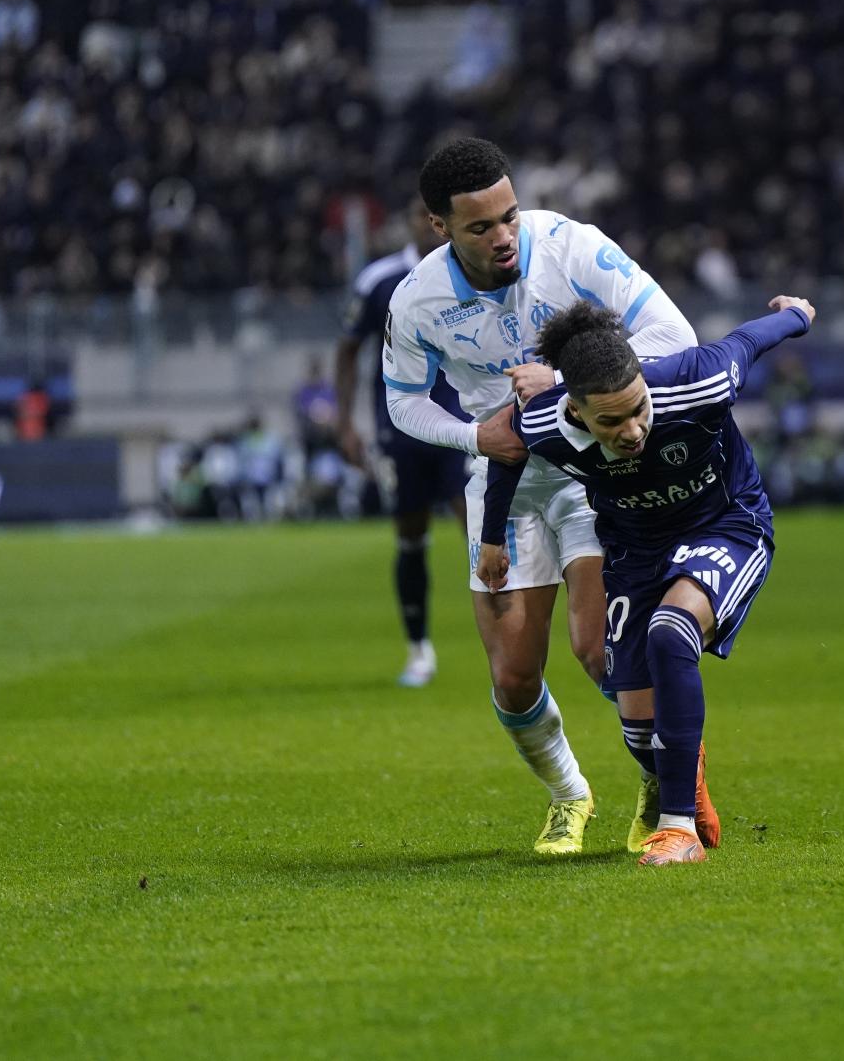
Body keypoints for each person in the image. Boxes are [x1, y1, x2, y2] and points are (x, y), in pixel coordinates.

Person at [382, 137, 698, 856]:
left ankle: (663, 784)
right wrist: (473, 436)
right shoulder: (418, 301)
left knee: (599, 646)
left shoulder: (572, 249)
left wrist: (569, 386)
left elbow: (674, 335)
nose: (504, 237)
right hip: (505, 483)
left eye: (510, 216)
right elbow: (403, 402)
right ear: (439, 228)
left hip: (595, 469)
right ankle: (569, 794)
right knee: (514, 676)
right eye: (481, 227)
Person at [476, 294, 816, 866]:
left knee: (671, 629)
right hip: (635, 549)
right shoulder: (541, 420)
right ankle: (685, 773)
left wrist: (797, 316)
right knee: (640, 732)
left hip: (725, 524)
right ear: (577, 412)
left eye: (639, 409)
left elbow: (748, 342)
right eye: (611, 420)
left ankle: (677, 827)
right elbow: (506, 453)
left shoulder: (696, 382)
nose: (633, 429)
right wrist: (491, 538)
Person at [335, 200, 468, 688]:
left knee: (480, 531)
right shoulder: (378, 280)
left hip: (462, 426)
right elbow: (348, 351)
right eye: (419, 214)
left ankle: (507, 647)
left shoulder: (474, 269)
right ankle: (419, 650)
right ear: (413, 221)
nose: (428, 224)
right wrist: (347, 425)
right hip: (402, 429)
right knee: (410, 536)